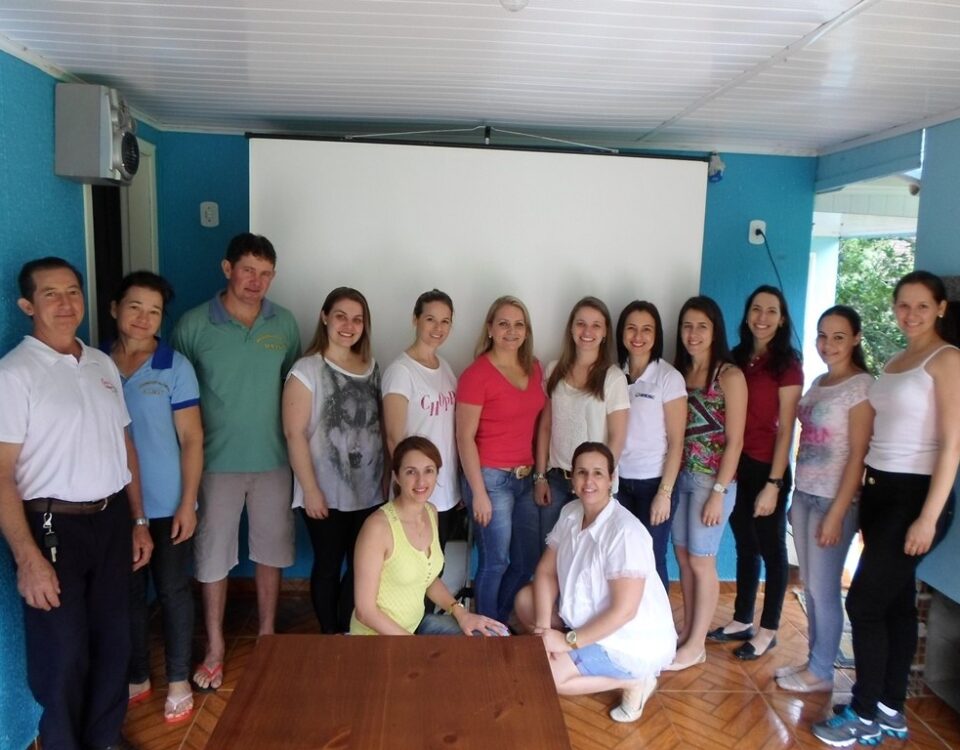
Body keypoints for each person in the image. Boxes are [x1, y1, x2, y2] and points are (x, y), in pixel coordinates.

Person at [0, 257, 153, 750]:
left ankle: (104, 738)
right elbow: (1, 474)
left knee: (114, 640)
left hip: (111, 519)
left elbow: (124, 445)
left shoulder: (101, 363)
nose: (66, 303)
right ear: (28, 305)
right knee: (63, 651)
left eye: (73, 291)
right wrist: (27, 558)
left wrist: (139, 519)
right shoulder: (14, 374)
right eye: (51, 294)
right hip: (52, 527)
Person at [814, 271, 960, 747]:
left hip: (914, 496)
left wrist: (929, 516)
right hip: (879, 492)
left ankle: (862, 713)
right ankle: (890, 708)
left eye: (922, 306)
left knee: (863, 602)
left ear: (940, 308)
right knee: (896, 604)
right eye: (903, 305)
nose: (910, 314)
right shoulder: (897, 359)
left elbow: (953, 445)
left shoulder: (947, 359)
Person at [171, 233, 301, 690]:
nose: (256, 281)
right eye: (248, 270)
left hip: (274, 460)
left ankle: (267, 635)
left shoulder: (284, 324)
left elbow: (293, 387)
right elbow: (177, 396)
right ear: (227, 269)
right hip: (213, 464)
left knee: (271, 551)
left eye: (265, 273)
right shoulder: (193, 325)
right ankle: (215, 647)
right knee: (212, 557)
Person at [514, 442, 676, 724]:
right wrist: (542, 631)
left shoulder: (625, 532)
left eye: (598, 473)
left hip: (627, 639)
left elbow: (624, 612)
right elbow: (546, 572)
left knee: (549, 676)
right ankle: (571, 653)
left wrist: (566, 642)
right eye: (582, 472)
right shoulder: (572, 512)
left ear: (612, 479)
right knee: (525, 601)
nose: (589, 481)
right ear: (572, 478)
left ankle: (636, 681)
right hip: (587, 619)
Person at [106, 272, 203, 724]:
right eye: (135, 307)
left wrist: (188, 502)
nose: (144, 318)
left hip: (167, 504)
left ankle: (179, 679)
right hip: (115, 504)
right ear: (114, 309)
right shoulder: (95, 364)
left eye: (154, 311)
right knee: (127, 593)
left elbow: (192, 439)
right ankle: (138, 675)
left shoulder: (175, 367)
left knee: (173, 589)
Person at [776, 306, 872, 693]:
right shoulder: (819, 382)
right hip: (804, 495)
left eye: (838, 337)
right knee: (811, 586)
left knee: (823, 588)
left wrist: (837, 513)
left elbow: (858, 455)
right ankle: (815, 662)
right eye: (822, 335)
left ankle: (821, 672)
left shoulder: (862, 386)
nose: (828, 344)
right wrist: (795, 497)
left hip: (834, 501)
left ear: (856, 339)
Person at [283, 287, 385, 633]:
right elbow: (294, 433)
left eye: (357, 319)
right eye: (340, 316)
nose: (348, 325)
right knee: (328, 565)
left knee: (363, 566)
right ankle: (330, 635)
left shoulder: (372, 367)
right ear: (324, 317)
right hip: (324, 491)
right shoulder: (306, 369)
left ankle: (347, 630)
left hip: (369, 491)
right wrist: (310, 490)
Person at [710, 285, 803, 661]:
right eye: (756, 309)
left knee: (772, 550)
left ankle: (769, 630)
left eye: (771, 311)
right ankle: (742, 619)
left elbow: (787, 428)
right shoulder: (735, 358)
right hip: (738, 465)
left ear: (781, 320)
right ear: (747, 315)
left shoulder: (787, 364)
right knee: (746, 545)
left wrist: (774, 484)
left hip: (769, 468)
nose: (762, 317)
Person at [350, 436, 507, 636]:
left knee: (493, 636)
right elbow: (365, 611)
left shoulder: (430, 512)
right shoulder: (378, 528)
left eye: (429, 471)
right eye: (410, 472)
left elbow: (428, 578)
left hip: (415, 628)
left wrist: (461, 613)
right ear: (396, 476)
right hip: (376, 638)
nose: (421, 481)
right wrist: (413, 646)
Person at [666, 296, 747, 671]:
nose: (693, 334)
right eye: (687, 326)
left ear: (715, 331)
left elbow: (736, 441)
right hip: (679, 476)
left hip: (710, 482)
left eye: (702, 326)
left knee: (702, 560)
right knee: (684, 558)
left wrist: (718, 492)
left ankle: (697, 644)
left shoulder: (729, 376)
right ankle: (688, 632)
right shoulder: (679, 374)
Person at [456, 296, 546, 622]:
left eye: (519, 324)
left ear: (527, 330)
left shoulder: (534, 367)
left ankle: (498, 622)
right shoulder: (476, 375)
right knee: (495, 561)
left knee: (526, 560)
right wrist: (478, 493)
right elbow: (464, 437)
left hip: (525, 478)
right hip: (490, 479)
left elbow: (539, 423)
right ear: (490, 329)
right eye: (504, 323)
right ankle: (486, 635)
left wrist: (539, 476)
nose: (512, 330)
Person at [532, 297, 629, 554]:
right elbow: (546, 427)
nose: (588, 331)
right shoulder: (554, 370)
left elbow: (617, 438)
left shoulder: (613, 378)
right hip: (556, 480)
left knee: (588, 558)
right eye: (581, 323)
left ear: (605, 332)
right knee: (551, 555)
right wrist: (540, 476)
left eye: (596, 325)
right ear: (571, 328)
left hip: (592, 484)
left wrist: (598, 480)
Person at [615, 300, 687, 591]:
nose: (638, 336)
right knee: (622, 560)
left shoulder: (668, 377)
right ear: (621, 332)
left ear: (657, 335)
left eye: (647, 329)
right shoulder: (614, 374)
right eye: (631, 328)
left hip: (654, 484)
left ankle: (659, 620)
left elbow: (677, 442)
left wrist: (664, 494)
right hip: (619, 483)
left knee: (652, 560)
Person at [381, 290, 460, 549]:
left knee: (436, 561)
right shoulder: (401, 371)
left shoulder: (445, 367)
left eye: (445, 321)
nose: (438, 328)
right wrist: (410, 487)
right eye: (430, 319)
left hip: (445, 490)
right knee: (414, 562)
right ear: (415, 320)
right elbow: (394, 438)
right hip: (417, 490)